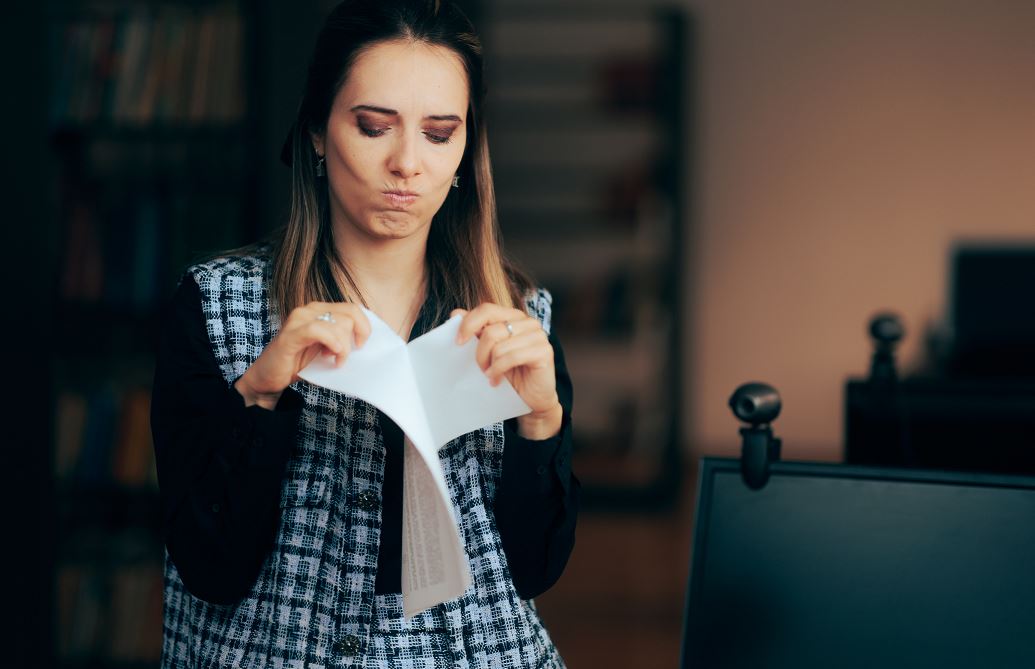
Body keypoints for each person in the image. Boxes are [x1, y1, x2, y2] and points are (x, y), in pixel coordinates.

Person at [149, 0, 579, 667]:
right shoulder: (216, 304)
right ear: (318, 131)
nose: (407, 163)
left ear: (466, 151)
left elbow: (534, 569)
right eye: (374, 127)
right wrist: (259, 396)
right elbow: (210, 566)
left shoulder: (522, 317)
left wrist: (543, 419)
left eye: (439, 133)